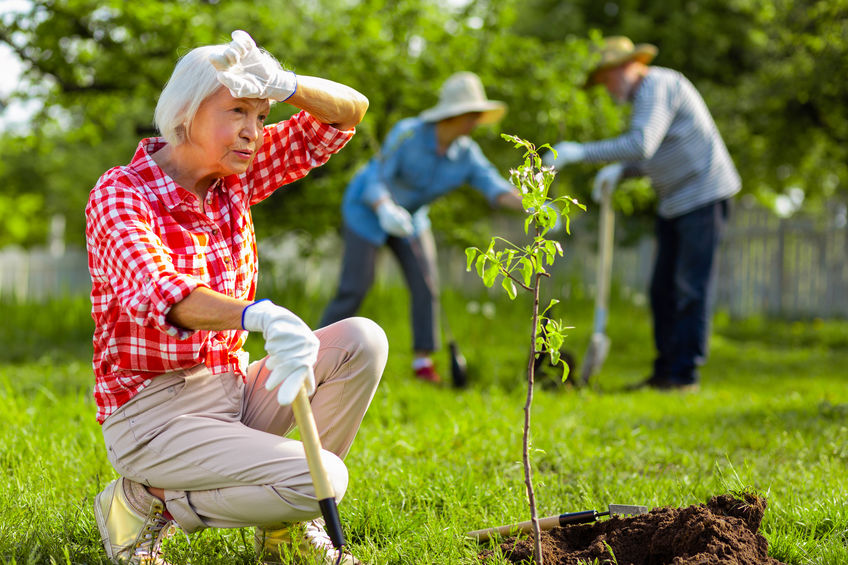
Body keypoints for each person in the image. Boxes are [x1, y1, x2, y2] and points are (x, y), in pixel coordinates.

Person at [85, 30, 384, 565]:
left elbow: (347, 115)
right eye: (237, 112)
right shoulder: (120, 194)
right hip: (153, 417)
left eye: (261, 115)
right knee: (324, 478)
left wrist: (286, 84)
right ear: (186, 113)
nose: (253, 132)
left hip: (231, 389)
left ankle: (285, 533)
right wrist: (255, 314)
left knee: (363, 339)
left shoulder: (234, 179)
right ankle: (141, 500)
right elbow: (164, 294)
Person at [545, 36, 740, 391]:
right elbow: (656, 151)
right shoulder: (645, 96)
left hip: (704, 194)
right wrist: (624, 171)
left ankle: (684, 376)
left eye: (607, 80)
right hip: (675, 201)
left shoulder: (657, 85)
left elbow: (641, 144)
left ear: (626, 67)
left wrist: (579, 152)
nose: (606, 89)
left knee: (689, 288)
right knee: (661, 289)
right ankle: (665, 371)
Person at [319, 71, 524, 383]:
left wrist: (535, 207)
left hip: (412, 219)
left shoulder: (466, 154)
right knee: (356, 285)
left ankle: (422, 363)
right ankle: (314, 351)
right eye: (472, 115)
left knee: (426, 283)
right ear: (453, 115)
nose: (476, 122)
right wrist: (385, 207)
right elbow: (376, 176)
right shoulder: (409, 134)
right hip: (367, 209)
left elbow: (495, 187)